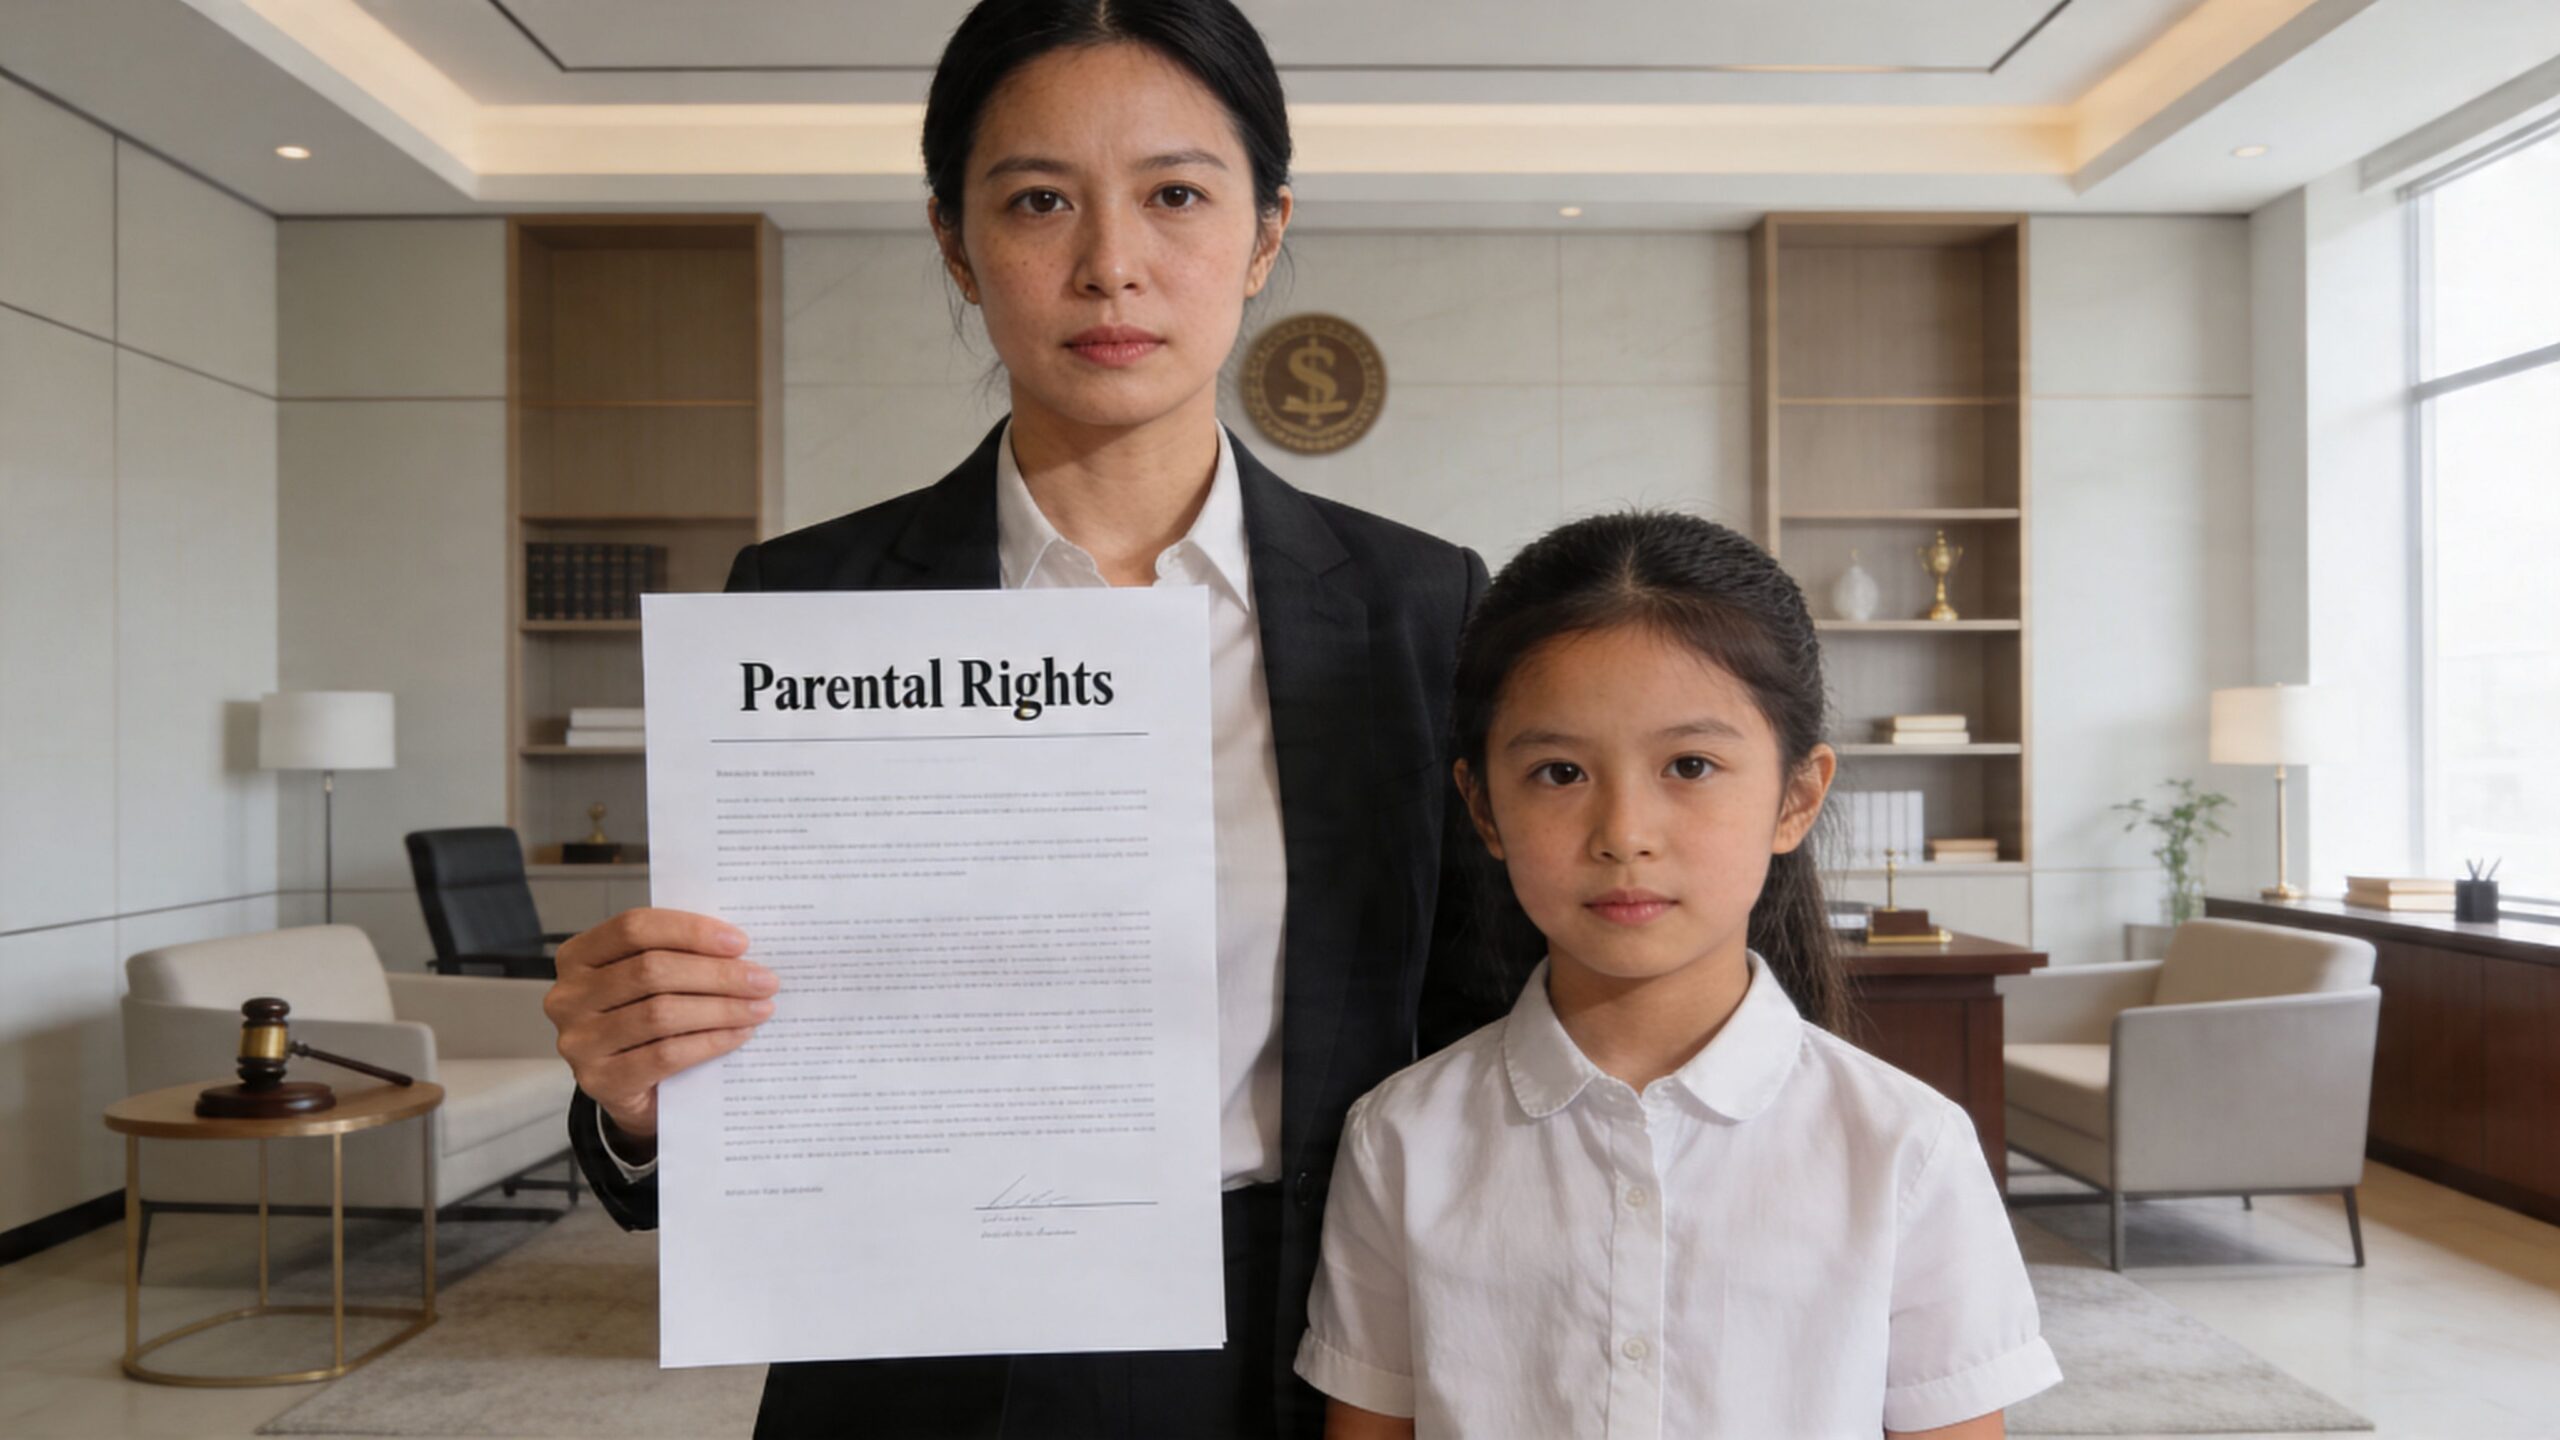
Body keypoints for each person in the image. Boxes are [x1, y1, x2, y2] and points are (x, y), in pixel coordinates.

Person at [538, 2, 1517, 1435]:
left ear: (1263, 234)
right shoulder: (802, 599)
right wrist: (636, 1095)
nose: (1110, 264)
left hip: (1299, 1331)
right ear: (954, 241)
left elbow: (1475, 1025)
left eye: (1176, 195)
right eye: (1039, 201)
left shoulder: (1422, 608)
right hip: (908, 1335)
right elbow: (735, 1059)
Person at [1295, 512, 2063, 1439]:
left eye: (1690, 765)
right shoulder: (1401, 1141)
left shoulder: (1908, 1150)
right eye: (1559, 771)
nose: (1625, 831)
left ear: (1796, 796)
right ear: (1483, 808)